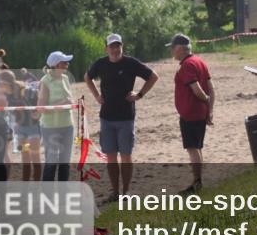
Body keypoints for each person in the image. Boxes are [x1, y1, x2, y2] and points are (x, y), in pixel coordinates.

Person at [84, 33, 159, 203]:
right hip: (106, 117)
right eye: (112, 46)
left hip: (126, 117)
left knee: (126, 155)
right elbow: (87, 77)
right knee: (110, 156)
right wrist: (96, 95)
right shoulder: (101, 63)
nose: (115, 49)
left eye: (118, 46)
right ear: (106, 48)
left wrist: (140, 94)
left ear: (122, 47)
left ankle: (126, 192)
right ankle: (115, 192)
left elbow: (153, 76)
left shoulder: (131, 63)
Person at [166, 34, 214, 190]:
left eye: (173, 48)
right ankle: (198, 180)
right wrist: (209, 109)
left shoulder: (187, 65)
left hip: (191, 113)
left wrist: (206, 100)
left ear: (179, 49)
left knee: (192, 148)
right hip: (200, 112)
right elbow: (211, 88)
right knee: (197, 148)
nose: (172, 51)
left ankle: (197, 182)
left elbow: (197, 89)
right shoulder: (200, 61)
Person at [38, 51, 76, 182]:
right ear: (56, 65)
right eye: (64, 62)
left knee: (65, 161)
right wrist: (62, 104)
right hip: (50, 127)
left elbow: (69, 99)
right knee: (52, 161)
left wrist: (71, 103)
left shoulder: (65, 78)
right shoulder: (45, 81)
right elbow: (41, 108)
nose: (67, 64)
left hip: (68, 125)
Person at [12, 68, 43, 181]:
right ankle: (25, 182)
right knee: (25, 156)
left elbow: (41, 106)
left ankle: (37, 183)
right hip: (21, 129)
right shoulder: (12, 97)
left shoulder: (32, 93)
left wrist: (37, 114)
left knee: (35, 155)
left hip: (33, 128)